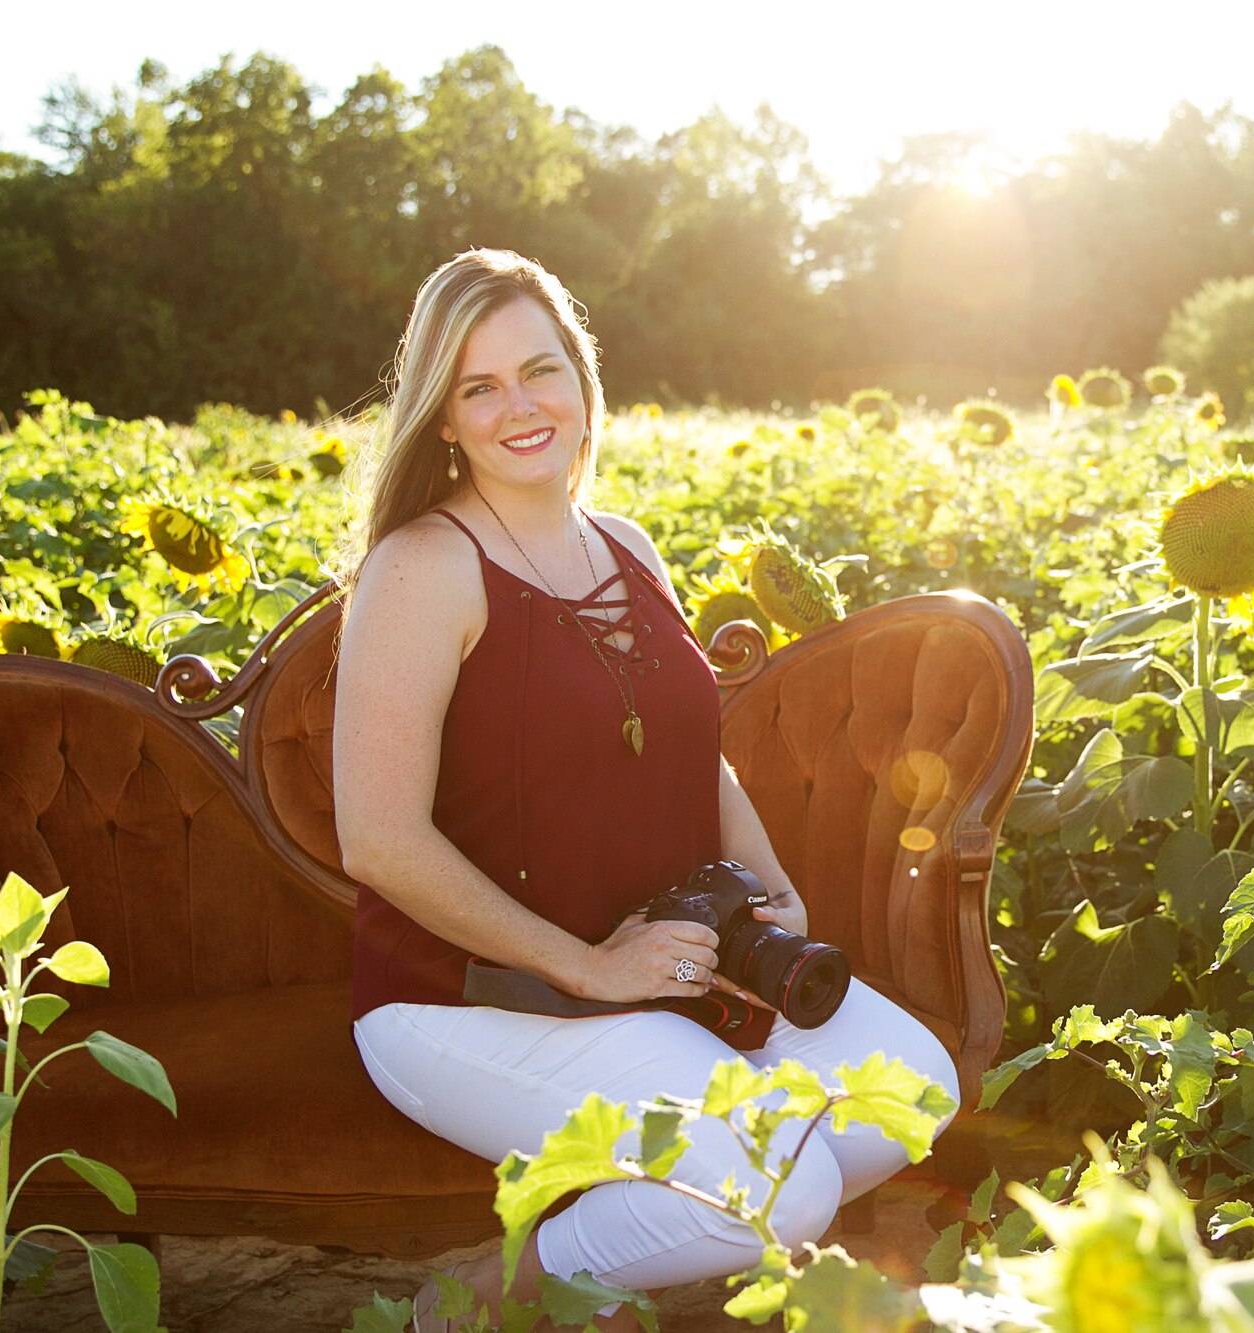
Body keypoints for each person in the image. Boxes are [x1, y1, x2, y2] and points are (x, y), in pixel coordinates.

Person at [331, 248, 959, 1331]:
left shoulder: (626, 547)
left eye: (540, 370)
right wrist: (586, 963)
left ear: (582, 380)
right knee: (776, 1185)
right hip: (470, 998)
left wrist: (767, 889)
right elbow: (379, 840)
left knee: (913, 1090)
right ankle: (469, 1302)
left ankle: (609, 1253)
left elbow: (690, 755)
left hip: (662, 968)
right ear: (442, 418)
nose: (519, 407)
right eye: (479, 387)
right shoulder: (421, 567)